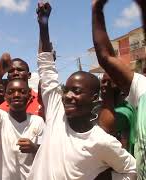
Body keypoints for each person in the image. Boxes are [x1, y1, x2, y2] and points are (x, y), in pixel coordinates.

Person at [28, 2, 136, 180]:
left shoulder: (101, 142)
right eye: (67, 90)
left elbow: (130, 170)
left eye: (76, 91)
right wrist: (43, 25)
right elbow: (46, 67)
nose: (68, 96)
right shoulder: (56, 114)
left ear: (95, 99)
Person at [92, 0, 146, 178]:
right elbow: (107, 58)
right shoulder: (142, 90)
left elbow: (106, 130)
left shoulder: (128, 110)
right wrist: (97, 9)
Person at [0, 53, 45, 180]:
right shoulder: (1, 116)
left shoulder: (38, 119)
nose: (16, 95)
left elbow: (49, 149)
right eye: (11, 92)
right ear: (5, 97)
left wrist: (34, 147)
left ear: (29, 96)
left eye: (22, 92)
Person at [99, 73, 136, 154]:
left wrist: (107, 96)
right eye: (102, 81)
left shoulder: (124, 111)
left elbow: (104, 129)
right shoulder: (115, 107)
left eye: (107, 82)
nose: (103, 85)